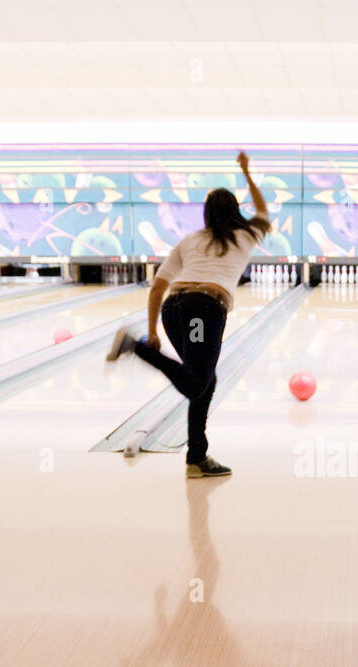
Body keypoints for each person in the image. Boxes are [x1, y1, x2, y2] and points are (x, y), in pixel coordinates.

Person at [108, 151, 269, 478]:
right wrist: (247, 172)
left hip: (173, 311)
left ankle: (197, 456)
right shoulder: (245, 236)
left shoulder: (190, 239)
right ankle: (132, 345)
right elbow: (264, 211)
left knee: (205, 381)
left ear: (206, 214)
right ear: (236, 212)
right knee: (197, 385)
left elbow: (158, 287)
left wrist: (155, 330)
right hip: (203, 310)